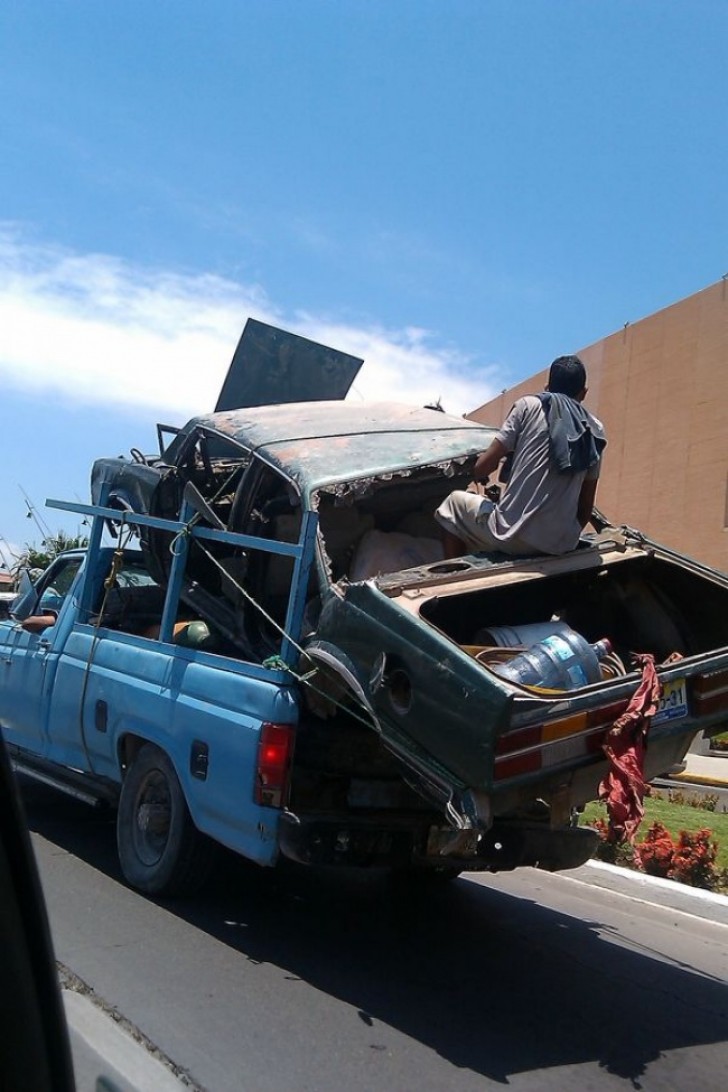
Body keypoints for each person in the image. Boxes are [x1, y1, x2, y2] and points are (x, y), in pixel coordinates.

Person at [435, 355, 606, 558]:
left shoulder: (528, 406)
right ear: (584, 393)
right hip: (562, 543)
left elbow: (483, 467)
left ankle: (455, 577)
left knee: (452, 504)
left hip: (514, 536)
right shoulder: (595, 429)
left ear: (547, 387)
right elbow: (585, 507)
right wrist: (563, 537)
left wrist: (478, 469)